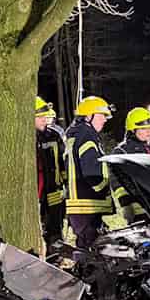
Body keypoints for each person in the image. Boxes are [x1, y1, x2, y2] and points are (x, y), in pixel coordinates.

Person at [65, 95, 114, 249]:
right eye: (101, 116)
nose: (105, 119)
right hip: (87, 202)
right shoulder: (87, 135)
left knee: (86, 244)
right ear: (88, 116)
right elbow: (91, 170)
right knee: (90, 248)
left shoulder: (75, 134)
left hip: (78, 202)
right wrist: (103, 189)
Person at [35, 97, 66, 250]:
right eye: (40, 117)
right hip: (36, 191)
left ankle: (56, 256)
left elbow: (62, 162)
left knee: (55, 223)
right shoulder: (26, 138)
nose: (44, 119)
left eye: (45, 116)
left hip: (54, 189)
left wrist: (64, 183)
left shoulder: (54, 136)